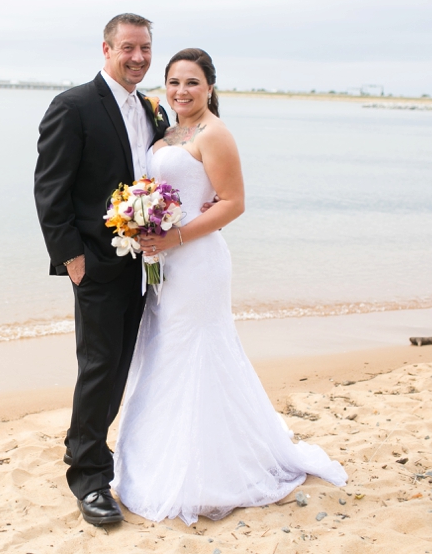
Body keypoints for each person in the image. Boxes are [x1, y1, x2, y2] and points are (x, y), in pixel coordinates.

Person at [112, 48, 347, 525]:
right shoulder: (171, 129)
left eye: (192, 83)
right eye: (174, 81)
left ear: (210, 88)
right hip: (164, 261)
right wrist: (143, 224)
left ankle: (209, 472)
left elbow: (233, 203)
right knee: (163, 352)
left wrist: (172, 235)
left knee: (196, 351)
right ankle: (154, 458)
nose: (181, 91)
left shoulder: (215, 133)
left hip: (197, 262)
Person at [34, 13, 170, 525]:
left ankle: (94, 451)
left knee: (121, 368)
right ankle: (89, 477)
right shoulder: (73, 106)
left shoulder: (150, 110)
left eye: (146, 49)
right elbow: (50, 187)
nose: (138, 57)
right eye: (128, 48)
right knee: (98, 368)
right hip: (94, 264)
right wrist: (71, 259)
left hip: (144, 266)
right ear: (107, 49)